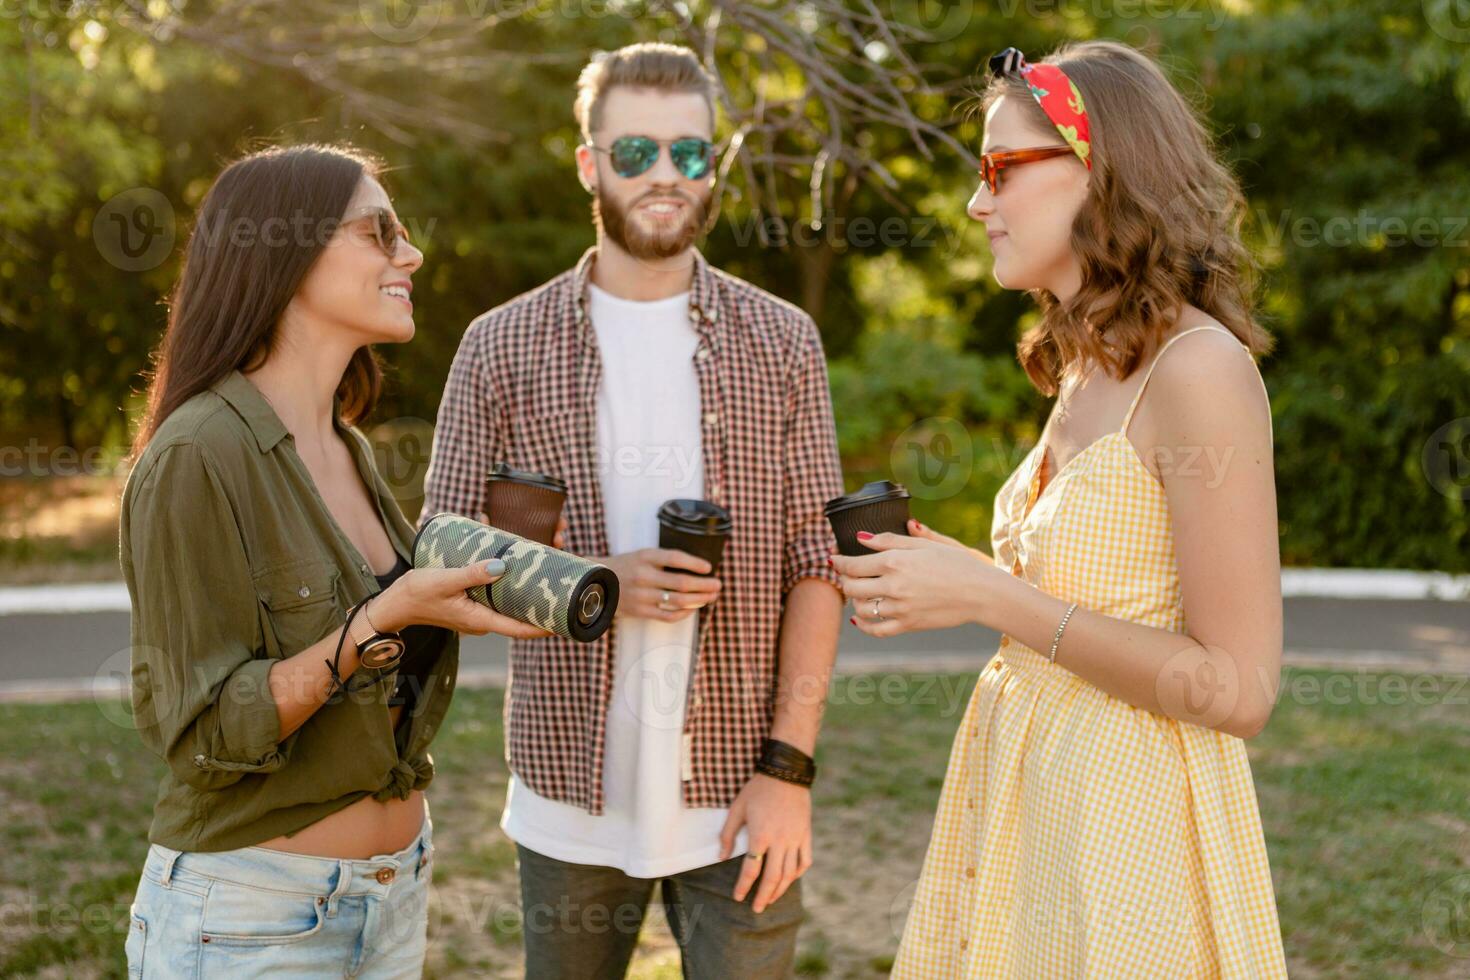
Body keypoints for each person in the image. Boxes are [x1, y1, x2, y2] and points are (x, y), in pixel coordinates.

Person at [830, 42, 1289, 976]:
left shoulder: (1199, 371)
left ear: (1101, 171)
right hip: (1030, 808)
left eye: (1000, 169)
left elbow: (1238, 689)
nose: (976, 202)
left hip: (1135, 840)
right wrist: (954, 581)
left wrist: (993, 600)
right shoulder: (1089, 357)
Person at [419, 42, 845, 979]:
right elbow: (437, 559)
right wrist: (595, 582)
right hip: (568, 803)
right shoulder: (500, 347)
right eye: (635, 152)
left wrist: (789, 773)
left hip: (745, 797)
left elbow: (818, 563)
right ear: (589, 164)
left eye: (690, 155)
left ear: (714, 167)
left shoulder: (782, 343)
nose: (664, 176)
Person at [120, 143, 550, 977]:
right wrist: (384, 617)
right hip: (252, 917)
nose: (411, 253)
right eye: (380, 231)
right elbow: (200, 734)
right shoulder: (198, 454)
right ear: (285, 251)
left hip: (392, 896)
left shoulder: (345, 446)